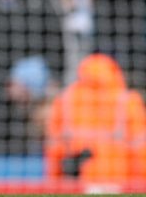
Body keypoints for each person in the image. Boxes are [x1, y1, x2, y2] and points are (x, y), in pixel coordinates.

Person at [45, 54, 146, 182]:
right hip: (119, 185)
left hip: (76, 186)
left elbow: (53, 151)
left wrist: (55, 185)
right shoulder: (128, 100)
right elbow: (141, 152)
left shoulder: (65, 99)